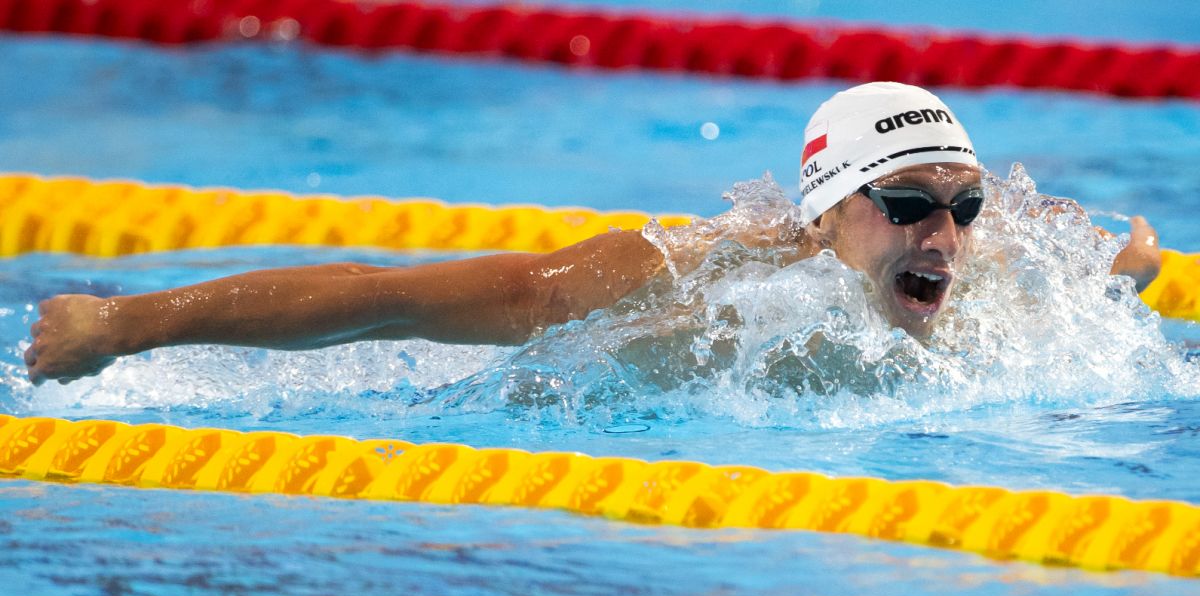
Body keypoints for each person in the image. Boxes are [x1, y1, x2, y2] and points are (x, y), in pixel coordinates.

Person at [22, 82, 1162, 386]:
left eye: (962, 206)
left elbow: (1107, 252)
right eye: (907, 203)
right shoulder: (668, 281)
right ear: (824, 218)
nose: (946, 238)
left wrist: (1133, 265)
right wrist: (125, 323)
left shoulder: (997, 271)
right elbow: (392, 295)